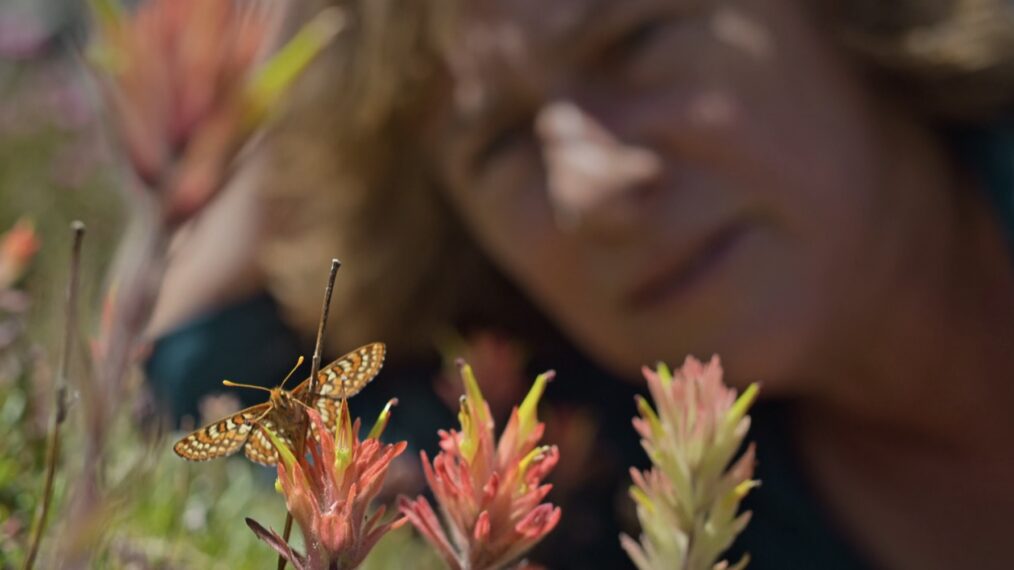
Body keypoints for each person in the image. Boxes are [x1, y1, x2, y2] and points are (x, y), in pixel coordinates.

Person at [146, 0, 1014, 568]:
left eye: (636, 42)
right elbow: (200, 355)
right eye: (501, 143)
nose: (590, 190)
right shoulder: (600, 475)